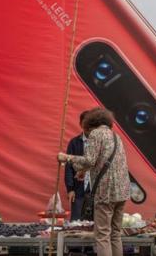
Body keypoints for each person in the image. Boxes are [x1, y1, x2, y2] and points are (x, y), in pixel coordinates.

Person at [57, 107, 130, 256]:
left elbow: (90, 160)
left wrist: (67, 157)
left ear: (90, 124)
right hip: (122, 192)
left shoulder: (96, 134)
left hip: (106, 192)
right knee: (115, 234)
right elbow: (103, 162)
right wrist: (83, 171)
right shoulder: (115, 136)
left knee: (102, 235)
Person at [65, 110, 91, 221]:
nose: (88, 128)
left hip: (94, 190)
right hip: (78, 190)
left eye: (91, 124)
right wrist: (70, 189)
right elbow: (68, 168)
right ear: (81, 124)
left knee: (94, 224)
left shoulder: (99, 143)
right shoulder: (74, 143)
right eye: (86, 124)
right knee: (75, 223)